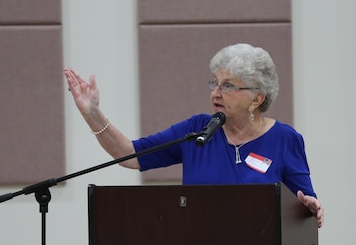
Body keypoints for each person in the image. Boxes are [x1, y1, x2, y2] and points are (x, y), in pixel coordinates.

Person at [64, 43, 323, 228]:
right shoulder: (198, 130)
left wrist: (311, 208)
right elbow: (129, 155)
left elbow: (306, 205)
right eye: (215, 83)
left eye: (228, 86)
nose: (216, 93)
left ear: (257, 98)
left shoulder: (285, 139)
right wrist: (92, 112)